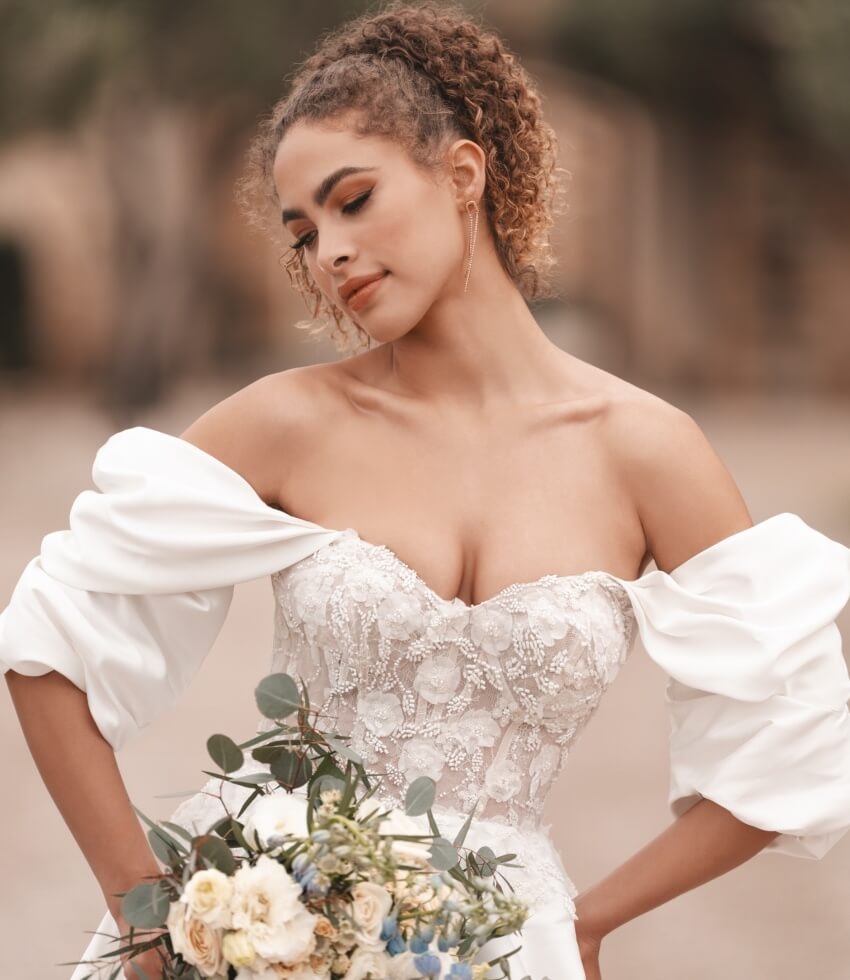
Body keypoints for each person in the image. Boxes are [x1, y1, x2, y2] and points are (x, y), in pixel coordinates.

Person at [3, 3, 850, 979]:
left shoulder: (647, 451)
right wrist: (147, 911)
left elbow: (790, 735)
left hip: (498, 946)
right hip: (264, 930)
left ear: (463, 173)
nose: (328, 252)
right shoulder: (285, 424)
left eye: (352, 199)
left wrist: (583, 921)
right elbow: (47, 644)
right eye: (302, 233)